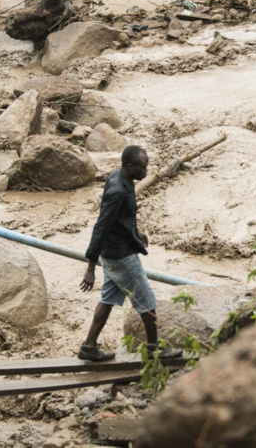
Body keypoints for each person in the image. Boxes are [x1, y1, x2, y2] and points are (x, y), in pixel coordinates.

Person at [78, 146, 182, 361]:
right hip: (120, 256)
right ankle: (154, 349)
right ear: (130, 166)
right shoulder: (118, 191)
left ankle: (88, 347)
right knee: (148, 302)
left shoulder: (120, 178)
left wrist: (135, 230)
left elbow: (119, 217)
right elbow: (101, 226)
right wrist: (90, 268)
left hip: (113, 253)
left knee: (107, 299)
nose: (146, 171)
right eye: (143, 167)